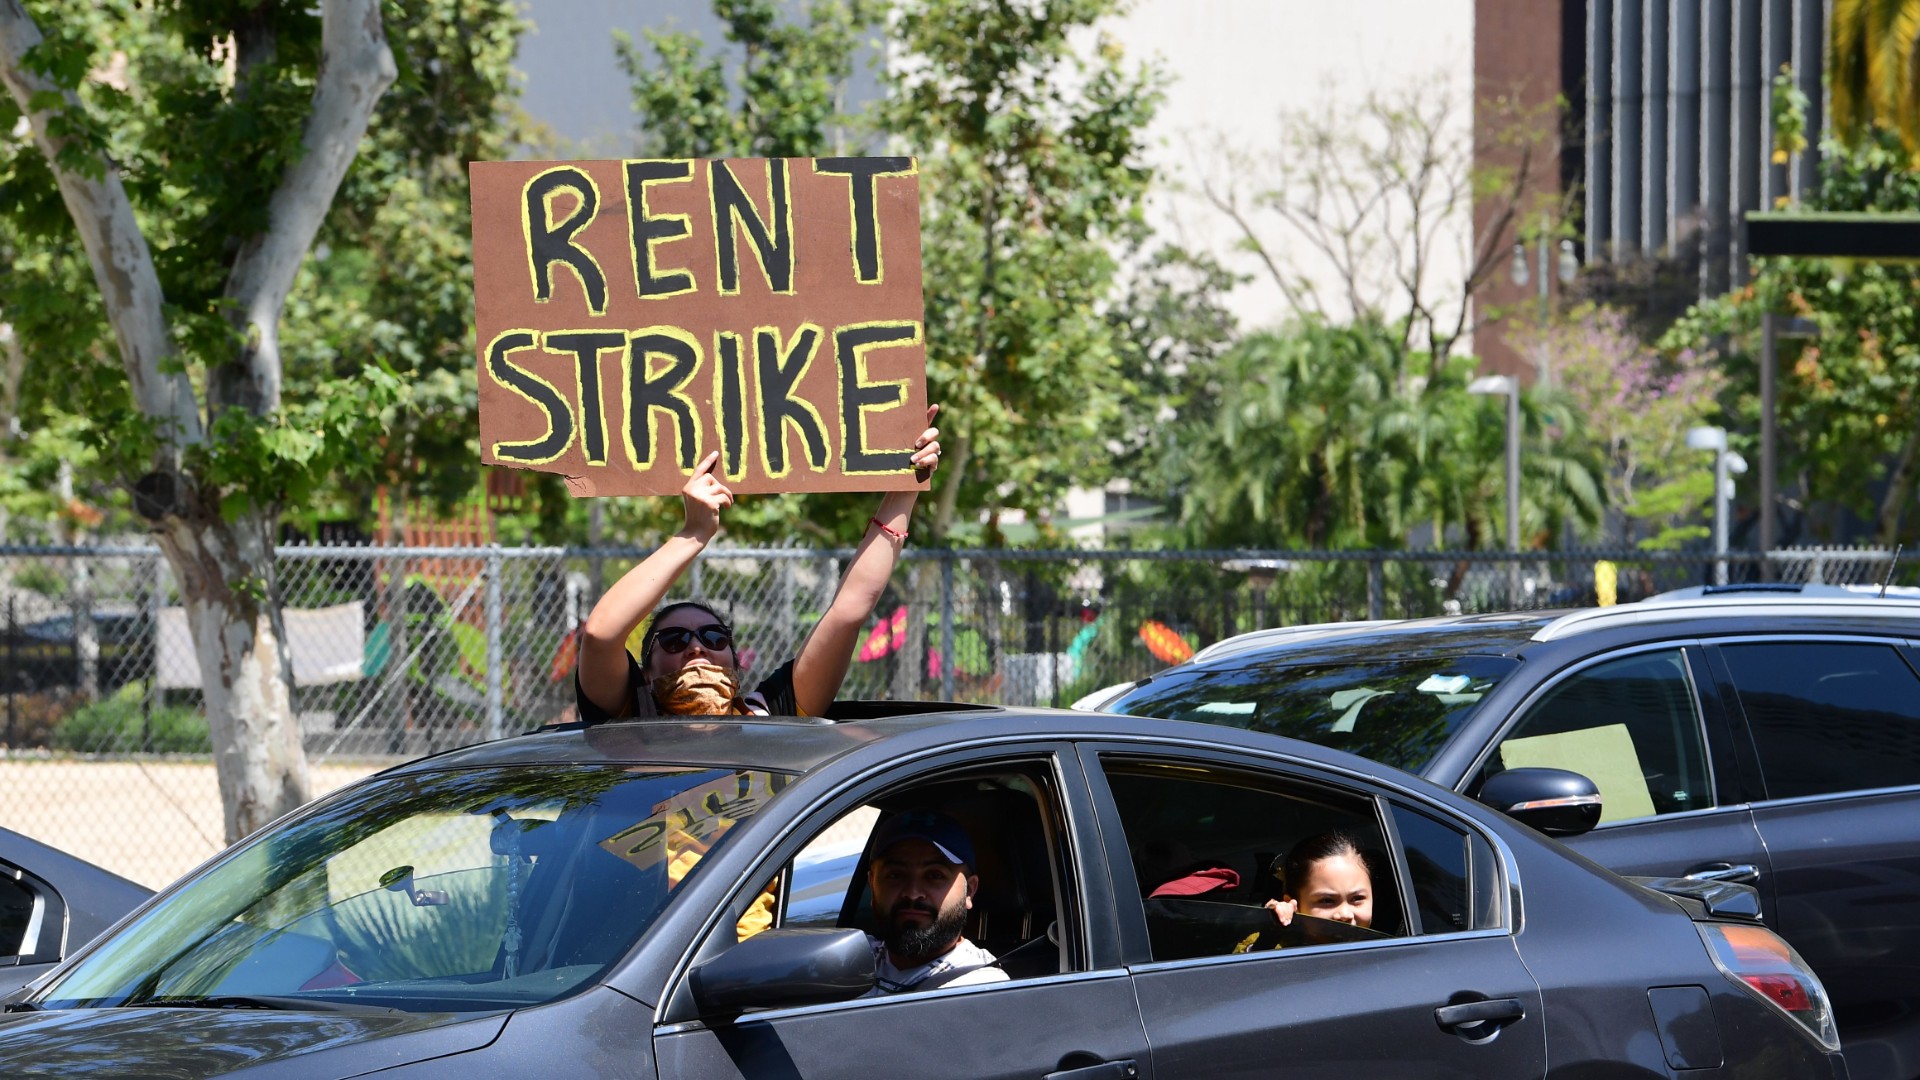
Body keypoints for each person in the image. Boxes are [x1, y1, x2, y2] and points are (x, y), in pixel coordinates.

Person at [576, 406, 941, 721]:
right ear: (645, 671)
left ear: (736, 662)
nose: (696, 647)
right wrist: (694, 533)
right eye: (673, 640)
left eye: (714, 636)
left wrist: (907, 484)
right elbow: (600, 635)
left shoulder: (769, 715)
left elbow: (849, 610)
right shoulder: (634, 713)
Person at [862, 809, 1009, 995]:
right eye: (895, 875)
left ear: (969, 891)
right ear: (872, 884)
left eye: (934, 875)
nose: (912, 893)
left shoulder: (982, 988)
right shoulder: (846, 963)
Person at [1263, 829, 1374, 931]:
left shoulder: (1386, 946)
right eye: (1326, 900)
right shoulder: (1279, 947)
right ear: (1293, 906)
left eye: (1357, 898)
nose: (1346, 914)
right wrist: (1271, 933)